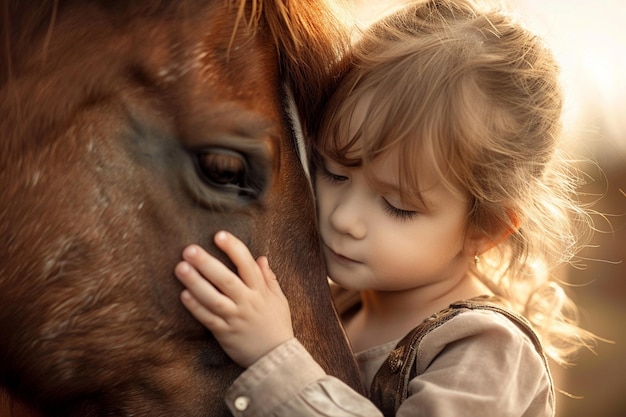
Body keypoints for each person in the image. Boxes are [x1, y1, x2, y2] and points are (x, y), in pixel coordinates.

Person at [174, 0, 599, 415]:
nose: (343, 218)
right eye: (334, 172)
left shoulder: (487, 349)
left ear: (484, 230)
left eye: (397, 206)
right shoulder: (336, 303)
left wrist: (274, 357)